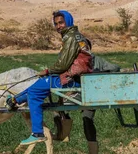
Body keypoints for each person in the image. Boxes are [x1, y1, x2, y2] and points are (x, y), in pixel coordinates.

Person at [6, 10, 93, 146]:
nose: (58, 26)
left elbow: (63, 64)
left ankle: (37, 133)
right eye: (56, 23)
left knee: (35, 92)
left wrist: (47, 71)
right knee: (39, 85)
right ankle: (15, 99)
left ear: (68, 21)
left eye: (61, 22)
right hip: (71, 76)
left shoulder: (71, 37)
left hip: (71, 79)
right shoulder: (73, 36)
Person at [80, 54, 121, 154]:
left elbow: (115, 68)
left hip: (92, 94)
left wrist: (98, 74)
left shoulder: (96, 60)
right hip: (83, 94)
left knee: (86, 118)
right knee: (85, 118)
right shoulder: (75, 58)